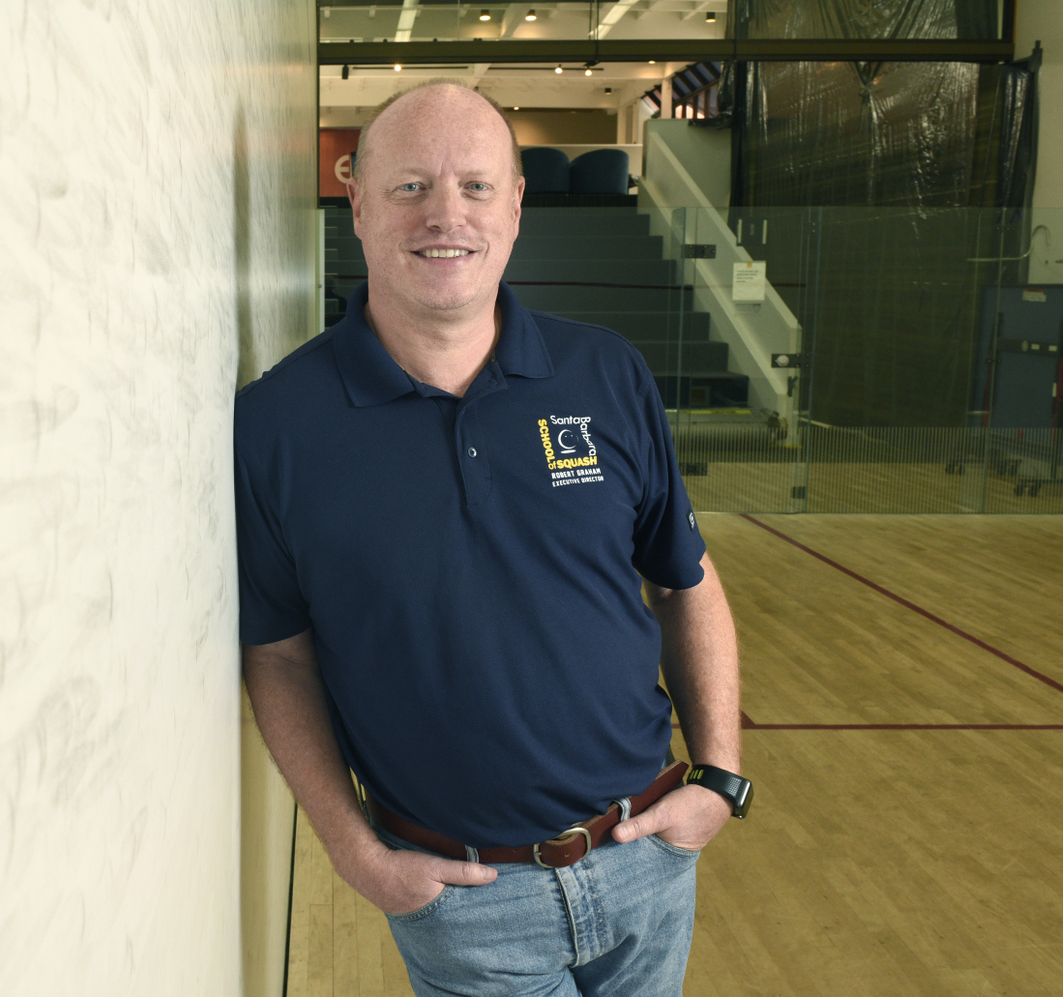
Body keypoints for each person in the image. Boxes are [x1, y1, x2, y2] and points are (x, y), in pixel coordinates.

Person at [234, 81, 748, 997]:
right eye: (410, 187)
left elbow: (684, 580)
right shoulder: (276, 424)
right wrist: (354, 851)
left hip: (649, 855)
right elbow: (278, 655)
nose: (446, 215)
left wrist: (720, 777)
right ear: (356, 202)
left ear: (514, 205)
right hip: (464, 902)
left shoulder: (607, 372)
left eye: (475, 186)